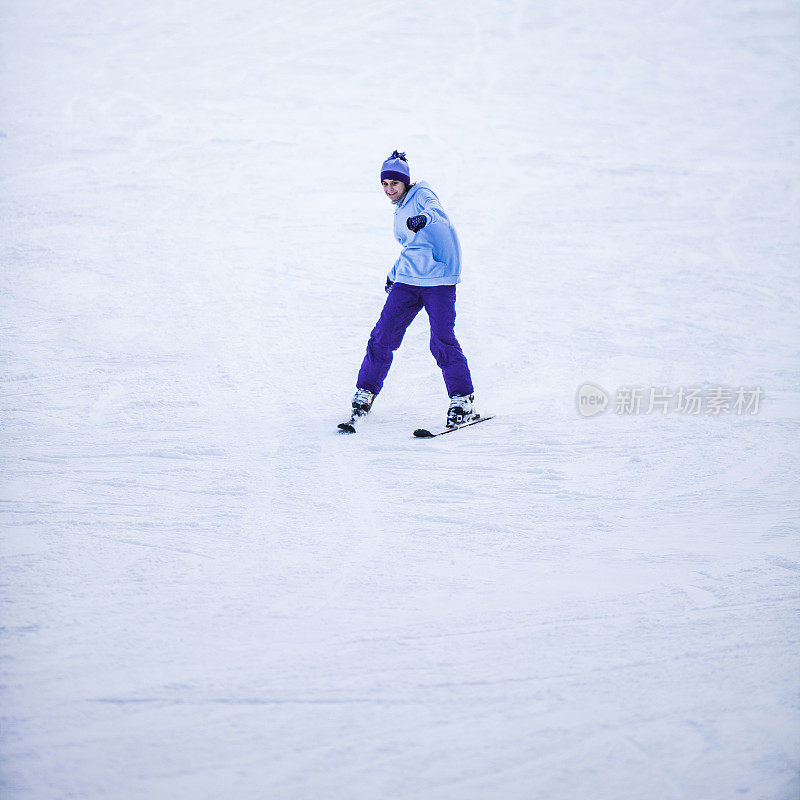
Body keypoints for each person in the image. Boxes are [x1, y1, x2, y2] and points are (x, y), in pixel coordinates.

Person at [346, 150, 476, 428]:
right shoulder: (399, 208)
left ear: (406, 182)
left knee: (441, 338)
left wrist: (424, 219)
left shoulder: (422, 194)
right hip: (409, 278)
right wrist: (394, 273)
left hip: (439, 278)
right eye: (385, 184)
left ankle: (462, 399)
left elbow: (436, 213)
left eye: (394, 183)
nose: (389, 189)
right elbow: (413, 248)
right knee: (382, 337)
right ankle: (365, 392)